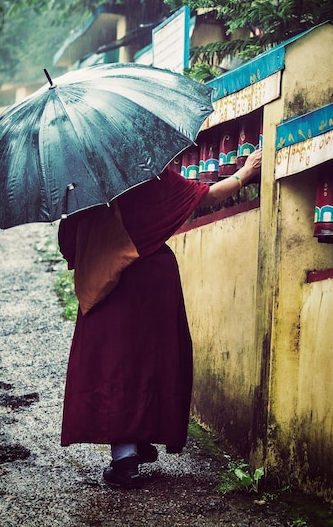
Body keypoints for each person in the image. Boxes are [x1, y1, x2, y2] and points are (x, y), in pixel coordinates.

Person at [58, 147, 262, 489]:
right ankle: (137, 440)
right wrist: (246, 172)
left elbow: (69, 243)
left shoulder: (85, 185)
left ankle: (126, 458)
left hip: (108, 280)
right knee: (152, 362)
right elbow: (208, 196)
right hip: (153, 277)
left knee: (114, 365)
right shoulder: (146, 171)